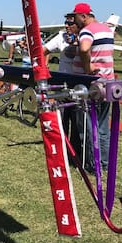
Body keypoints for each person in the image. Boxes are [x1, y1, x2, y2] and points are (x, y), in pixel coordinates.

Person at [69, 2, 115, 173]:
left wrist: (87, 68)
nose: (75, 22)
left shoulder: (87, 31)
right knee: (103, 126)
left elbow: (84, 48)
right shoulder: (106, 29)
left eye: (76, 18)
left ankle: (91, 164)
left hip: (90, 85)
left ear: (84, 16)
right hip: (107, 81)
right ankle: (104, 163)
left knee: (87, 126)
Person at [43, 15, 81, 155]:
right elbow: (43, 50)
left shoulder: (85, 37)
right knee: (61, 120)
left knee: (78, 123)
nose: (66, 26)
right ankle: (61, 152)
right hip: (62, 85)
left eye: (70, 23)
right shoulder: (61, 37)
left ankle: (75, 154)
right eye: (66, 23)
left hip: (79, 86)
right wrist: (42, 67)